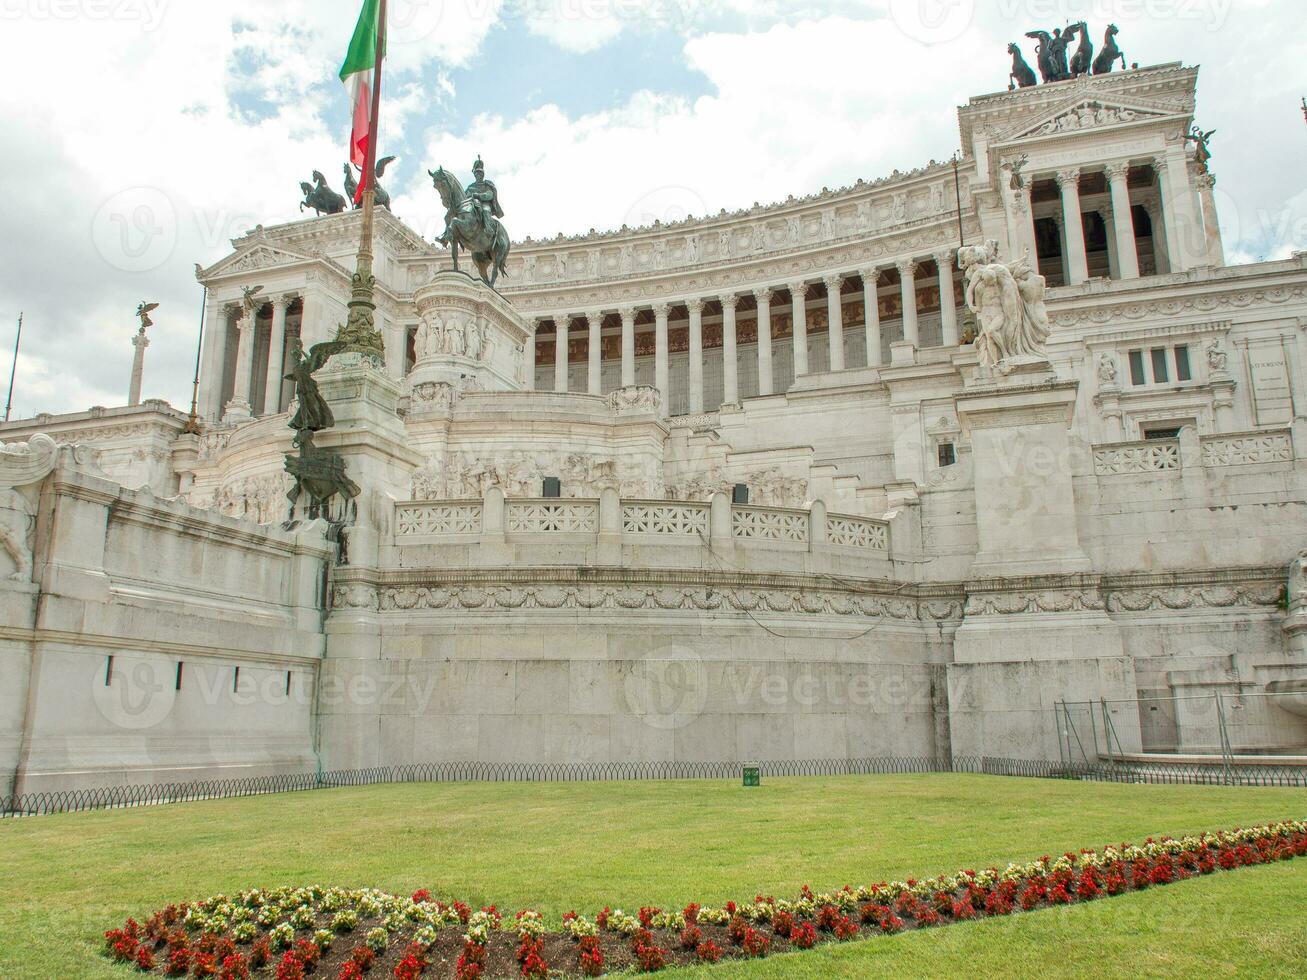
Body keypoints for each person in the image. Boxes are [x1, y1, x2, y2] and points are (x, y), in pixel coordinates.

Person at [464, 157, 504, 233]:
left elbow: (490, 195)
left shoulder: (487, 184)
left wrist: (478, 195)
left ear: (483, 175)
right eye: (476, 174)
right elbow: (464, 197)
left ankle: (489, 229)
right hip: (472, 205)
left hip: (484, 204)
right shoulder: (470, 187)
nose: (478, 176)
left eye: (480, 174)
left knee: (485, 210)